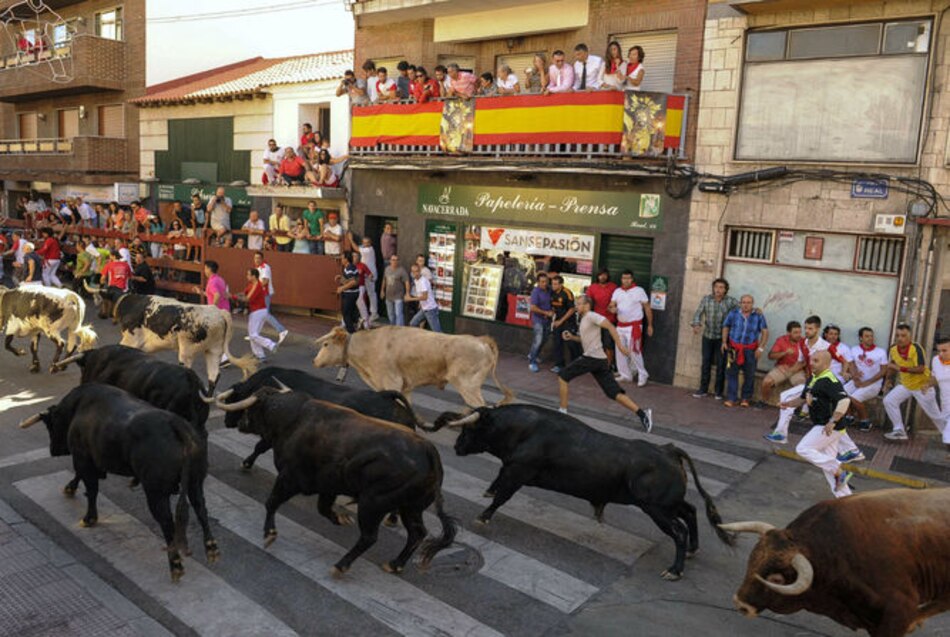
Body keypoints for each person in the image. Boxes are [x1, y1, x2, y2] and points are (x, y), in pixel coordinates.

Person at [558, 294, 653, 432]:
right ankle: (643, 414)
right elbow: (585, 340)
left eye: (578, 304)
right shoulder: (584, 319)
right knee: (613, 393)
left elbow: (610, 326)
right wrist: (572, 337)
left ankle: (562, 413)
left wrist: (620, 346)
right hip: (599, 361)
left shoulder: (591, 316)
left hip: (591, 359)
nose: (576, 306)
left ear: (587, 305)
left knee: (563, 376)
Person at [781, 351, 855, 498]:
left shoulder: (830, 381)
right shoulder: (813, 378)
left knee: (803, 449)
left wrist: (832, 421)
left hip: (828, 427)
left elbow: (844, 401)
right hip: (824, 426)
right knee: (827, 467)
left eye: (816, 361)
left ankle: (838, 470)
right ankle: (846, 498)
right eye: (811, 360)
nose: (812, 363)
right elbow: (802, 399)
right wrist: (788, 404)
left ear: (826, 364)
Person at [765, 315, 830, 442]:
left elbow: (842, 362)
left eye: (810, 329)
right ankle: (780, 434)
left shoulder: (826, 346)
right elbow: (801, 362)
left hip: (823, 384)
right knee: (787, 398)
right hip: (812, 383)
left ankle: (781, 434)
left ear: (817, 329)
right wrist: (788, 372)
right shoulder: (803, 343)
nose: (807, 331)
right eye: (806, 328)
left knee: (828, 418)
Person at [882, 323, 942, 441]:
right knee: (889, 401)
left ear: (910, 337)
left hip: (922, 386)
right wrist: (888, 380)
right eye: (897, 335)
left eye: (903, 335)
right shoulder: (893, 349)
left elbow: (920, 368)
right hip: (906, 385)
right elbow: (892, 365)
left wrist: (900, 368)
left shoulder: (916, 348)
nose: (900, 338)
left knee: (935, 416)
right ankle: (899, 430)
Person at [690, 277, 738, 399]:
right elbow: (698, 313)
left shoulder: (731, 301)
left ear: (725, 290)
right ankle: (703, 389)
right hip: (708, 336)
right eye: (716, 287)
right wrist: (696, 324)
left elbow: (743, 310)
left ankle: (718, 392)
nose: (718, 290)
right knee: (706, 362)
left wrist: (756, 311)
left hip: (723, 339)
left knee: (721, 364)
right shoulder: (706, 299)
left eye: (721, 287)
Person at [721, 294, 768, 408]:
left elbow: (765, 332)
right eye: (743, 302)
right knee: (732, 373)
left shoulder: (758, 315)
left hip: (750, 350)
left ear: (752, 304)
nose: (746, 305)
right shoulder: (733, 313)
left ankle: (745, 398)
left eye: (748, 302)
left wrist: (761, 348)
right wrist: (724, 342)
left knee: (749, 374)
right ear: (740, 303)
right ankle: (732, 398)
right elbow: (726, 326)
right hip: (733, 348)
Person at [608, 270, 652, 386]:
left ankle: (643, 374)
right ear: (621, 279)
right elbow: (611, 305)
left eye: (628, 278)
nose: (626, 280)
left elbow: (647, 308)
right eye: (624, 278)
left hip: (634, 326)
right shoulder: (617, 291)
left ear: (632, 279)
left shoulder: (639, 291)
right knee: (620, 349)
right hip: (620, 325)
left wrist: (650, 325)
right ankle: (625, 375)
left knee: (634, 351)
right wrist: (612, 309)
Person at [845, 327, 888, 432]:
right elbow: (851, 364)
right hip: (858, 381)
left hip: (874, 383)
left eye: (871, 336)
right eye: (867, 336)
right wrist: (855, 376)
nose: (870, 338)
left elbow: (883, 371)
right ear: (861, 338)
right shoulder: (854, 349)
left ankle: (865, 421)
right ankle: (849, 417)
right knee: (842, 393)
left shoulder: (880, 352)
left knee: (855, 398)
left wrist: (867, 382)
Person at [760, 321, 806, 404]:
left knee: (802, 386)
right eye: (795, 332)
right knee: (767, 382)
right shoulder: (781, 340)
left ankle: (795, 406)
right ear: (788, 333)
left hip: (797, 370)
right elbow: (771, 356)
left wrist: (796, 368)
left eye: (800, 332)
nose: (798, 335)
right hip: (783, 368)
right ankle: (764, 401)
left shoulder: (804, 342)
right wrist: (784, 353)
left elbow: (807, 360)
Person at [252, 251, 289, 343]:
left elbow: (265, 281)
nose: (256, 260)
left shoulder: (265, 268)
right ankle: (254, 334)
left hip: (265, 294)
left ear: (262, 259)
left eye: (258, 258)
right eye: (255, 258)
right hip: (261, 294)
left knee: (264, 314)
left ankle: (282, 330)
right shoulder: (257, 268)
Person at [242, 268, 276, 361]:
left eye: (248, 275)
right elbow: (244, 294)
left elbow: (247, 298)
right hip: (259, 311)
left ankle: (271, 345)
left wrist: (232, 297)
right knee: (253, 334)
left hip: (258, 312)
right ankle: (260, 355)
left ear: (253, 276)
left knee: (253, 335)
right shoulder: (252, 285)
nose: (247, 276)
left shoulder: (256, 285)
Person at [587, 268, 618, 371]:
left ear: (608, 276)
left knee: (608, 344)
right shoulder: (592, 287)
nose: (602, 277)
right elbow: (588, 302)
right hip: (596, 320)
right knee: (596, 344)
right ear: (597, 276)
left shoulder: (613, 287)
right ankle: (596, 365)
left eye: (604, 275)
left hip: (610, 321)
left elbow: (619, 302)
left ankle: (608, 365)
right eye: (600, 275)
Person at [548, 275, 578, 373]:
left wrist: (561, 321)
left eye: (556, 284)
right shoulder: (551, 293)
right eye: (552, 284)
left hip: (568, 322)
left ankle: (575, 365)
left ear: (561, 284)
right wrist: (552, 313)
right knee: (557, 343)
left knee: (571, 343)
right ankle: (559, 365)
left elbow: (572, 309)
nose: (553, 286)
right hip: (557, 321)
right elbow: (553, 307)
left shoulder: (567, 293)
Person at [528, 273, 554, 373]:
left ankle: (533, 354)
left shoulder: (550, 290)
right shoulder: (536, 292)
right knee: (538, 340)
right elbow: (533, 308)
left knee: (544, 339)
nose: (545, 284)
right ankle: (532, 362)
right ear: (538, 283)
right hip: (538, 320)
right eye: (542, 282)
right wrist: (546, 313)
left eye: (546, 281)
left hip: (547, 320)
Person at [928, 337, 950, 455]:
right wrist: (927, 385)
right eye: (939, 351)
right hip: (945, 404)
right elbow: (935, 378)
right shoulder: (936, 360)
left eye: (944, 350)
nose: (941, 354)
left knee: (947, 435)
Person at [407, 262, 441, 332]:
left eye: (416, 271)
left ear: (420, 271)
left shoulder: (423, 281)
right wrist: (420, 303)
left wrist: (410, 299)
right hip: (424, 309)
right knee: (412, 323)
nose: (415, 273)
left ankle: (443, 339)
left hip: (430, 310)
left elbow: (425, 297)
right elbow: (421, 294)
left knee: (437, 332)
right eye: (413, 272)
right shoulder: (416, 280)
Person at [380, 254, 409, 326]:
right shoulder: (387, 269)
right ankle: (392, 328)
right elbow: (384, 280)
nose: (395, 261)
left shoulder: (402, 270)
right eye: (393, 260)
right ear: (390, 261)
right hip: (388, 296)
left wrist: (407, 293)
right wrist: (382, 290)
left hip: (398, 296)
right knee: (390, 314)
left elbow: (407, 282)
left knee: (398, 314)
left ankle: (400, 329)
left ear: (399, 261)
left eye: (396, 260)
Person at [336, 252, 361, 334]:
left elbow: (353, 282)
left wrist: (342, 288)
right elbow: (350, 280)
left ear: (346, 259)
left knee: (346, 313)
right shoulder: (351, 267)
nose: (341, 259)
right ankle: (356, 323)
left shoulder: (349, 268)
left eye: (342, 258)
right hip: (354, 293)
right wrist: (341, 278)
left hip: (350, 294)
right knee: (351, 311)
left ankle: (351, 332)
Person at [353, 251, 374, 329]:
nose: (355, 258)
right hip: (351, 287)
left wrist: (370, 277)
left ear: (359, 257)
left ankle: (366, 323)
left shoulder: (362, 265)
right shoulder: (350, 266)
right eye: (353, 256)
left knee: (360, 302)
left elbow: (370, 274)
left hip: (360, 287)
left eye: (356, 256)